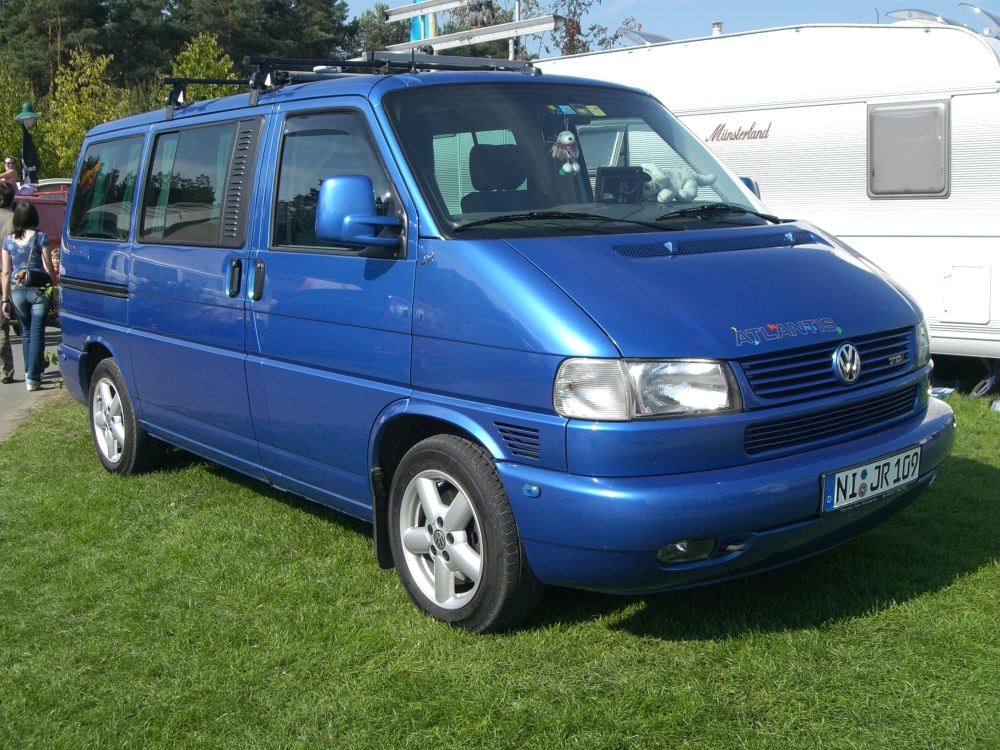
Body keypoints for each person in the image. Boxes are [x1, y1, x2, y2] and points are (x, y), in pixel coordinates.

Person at [1, 201, 55, 391]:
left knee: (26, 332)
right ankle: (33, 377)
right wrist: (53, 290)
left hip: (17, 290)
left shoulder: (7, 241)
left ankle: (27, 372)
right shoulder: (41, 238)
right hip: (38, 289)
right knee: (37, 332)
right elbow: (48, 267)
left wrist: (5, 299)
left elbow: (6, 272)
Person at [0, 182, 14, 383]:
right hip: (17, 277)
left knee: (2, 327)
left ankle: (6, 370)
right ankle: (34, 367)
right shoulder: (16, 220)